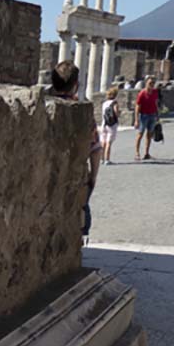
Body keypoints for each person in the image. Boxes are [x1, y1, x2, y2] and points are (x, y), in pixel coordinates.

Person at [49, 60, 101, 240]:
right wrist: (93, 177)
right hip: (75, 177)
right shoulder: (83, 113)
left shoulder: (43, 107)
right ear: (76, 85)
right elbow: (95, 148)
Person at [135, 76, 160, 160]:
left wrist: (157, 115)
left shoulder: (155, 92)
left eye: (153, 83)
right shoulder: (142, 93)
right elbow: (137, 107)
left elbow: (155, 103)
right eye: (150, 83)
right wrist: (136, 120)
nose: (151, 85)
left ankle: (146, 153)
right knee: (140, 134)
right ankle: (137, 153)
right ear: (146, 83)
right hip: (143, 115)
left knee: (149, 135)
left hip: (152, 115)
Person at [100, 85, 119, 165]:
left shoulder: (104, 103)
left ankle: (102, 159)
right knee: (109, 142)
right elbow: (116, 112)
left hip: (104, 124)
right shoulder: (114, 103)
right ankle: (107, 159)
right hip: (112, 124)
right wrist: (119, 113)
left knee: (103, 142)